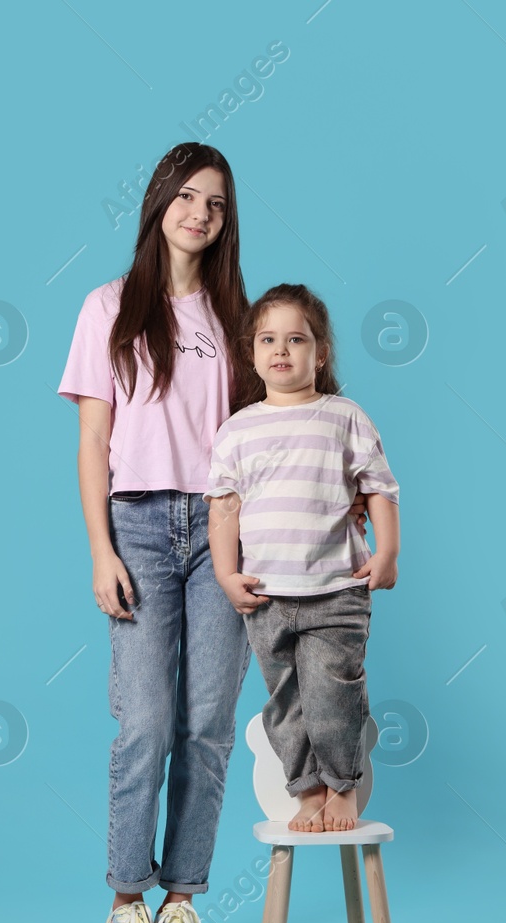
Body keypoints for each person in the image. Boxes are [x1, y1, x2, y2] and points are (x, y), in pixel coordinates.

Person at [59, 145, 370, 923]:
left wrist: (346, 512)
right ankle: (128, 898)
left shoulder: (237, 317)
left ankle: (182, 900)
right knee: (147, 722)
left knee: (205, 725)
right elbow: (94, 441)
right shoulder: (109, 307)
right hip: (139, 524)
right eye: (188, 196)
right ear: (160, 199)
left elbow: (287, 426)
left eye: (218, 204)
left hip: (230, 530)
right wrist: (100, 549)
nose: (200, 213)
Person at [204, 283, 401, 834]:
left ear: (322, 352)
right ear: (251, 352)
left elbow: (381, 487)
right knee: (284, 702)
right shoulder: (237, 429)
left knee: (332, 693)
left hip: (336, 590)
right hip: (266, 596)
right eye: (268, 339)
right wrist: (225, 573)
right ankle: (306, 787)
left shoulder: (344, 416)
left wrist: (387, 554)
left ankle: (342, 784)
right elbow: (224, 505)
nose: (282, 350)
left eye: (296, 339)